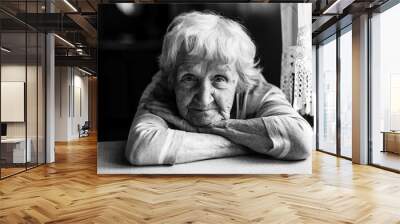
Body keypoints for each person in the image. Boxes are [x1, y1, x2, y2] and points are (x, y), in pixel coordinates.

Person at [125, 11, 313, 166]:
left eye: (219, 79)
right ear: (172, 79)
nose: (204, 98)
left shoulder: (257, 89)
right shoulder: (161, 87)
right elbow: (141, 149)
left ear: (239, 81)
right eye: (189, 78)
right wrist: (252, 142)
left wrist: (206, 129)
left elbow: (300, 140)